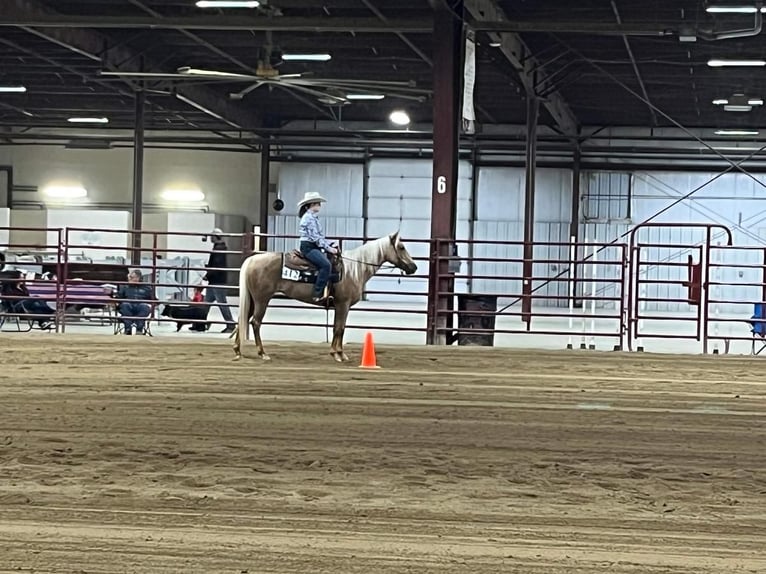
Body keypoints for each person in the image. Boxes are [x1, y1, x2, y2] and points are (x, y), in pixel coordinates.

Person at [297, 191, 338, 302]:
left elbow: (319, 237)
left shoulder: (312, 217)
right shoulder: (308, 219)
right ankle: (317, 293)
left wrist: (329, 243)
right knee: (326, 265)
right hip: (309, 247)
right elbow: (316, 238)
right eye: (317, 203)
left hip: (312, 245)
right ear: (311, 205)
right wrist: (329, 248)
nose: (319, 205)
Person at [203, 228, 235, 333]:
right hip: (215, 281)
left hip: (218, 281)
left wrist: (207, 274)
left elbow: (217, 266)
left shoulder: (219, 249)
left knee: (222, 304)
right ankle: (200, 323)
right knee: (206, 303)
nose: (211, 238)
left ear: (216, 237)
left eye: (212, 236)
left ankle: (231, 325)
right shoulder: (219, 248)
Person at [116, 269, 154, 335]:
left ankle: (139, 329)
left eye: (135, 277)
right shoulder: (124, 286)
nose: (133, 279)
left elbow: (153, 299)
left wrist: (153, 304)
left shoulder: (146, 287)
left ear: (139, 278)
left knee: (144, 307)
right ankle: (128, 329)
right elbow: (118, 297)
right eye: (131, 277)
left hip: (141, 305)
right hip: (128, 305)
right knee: (125, 305)